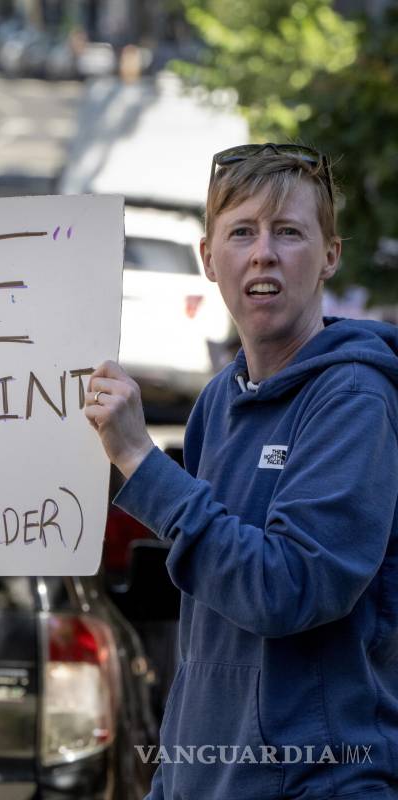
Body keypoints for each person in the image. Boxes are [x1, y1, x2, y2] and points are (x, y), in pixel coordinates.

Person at [86, 144, 398, 799]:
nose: (264, 253)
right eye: (242, 232)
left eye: (289, 232)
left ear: (329, 257)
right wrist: (172, 780)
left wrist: (140, 461)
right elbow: (209, 630)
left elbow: (289, 588)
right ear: (208, 259)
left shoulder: (354, 401)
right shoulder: (217, 403)